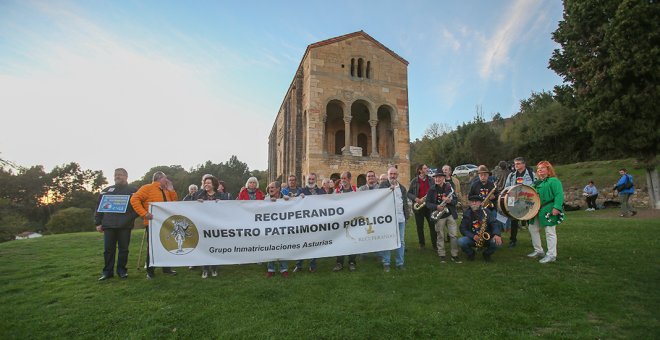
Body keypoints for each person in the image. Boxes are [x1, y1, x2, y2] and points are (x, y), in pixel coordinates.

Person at [130, 171, 178, 279]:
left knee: (167, 245)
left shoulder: (167, 190)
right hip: (153, 223)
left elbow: (175, 203)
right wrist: (144, 213)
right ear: (160, 178)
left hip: (167, 222)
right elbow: (134, 199)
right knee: (152, 247)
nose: (167, 181)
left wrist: (171, 190)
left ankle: (166, 268)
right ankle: (150, 271)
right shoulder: (147, 188)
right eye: (165, 179)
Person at [95, 168, 137, 281]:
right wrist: (98, 222)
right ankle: (107, 272)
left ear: (126, 177)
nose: (117, 177)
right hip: (108, 225)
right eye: (116, 175)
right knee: (108, 250)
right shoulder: (106, 191)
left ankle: (122, 271)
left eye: (120, 175)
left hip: (125, 225)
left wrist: (129, 218)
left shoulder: (133, 191)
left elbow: (138, 208)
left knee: (124, 250)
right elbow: (98, 208)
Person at [528, 161, 564, 264]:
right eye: (538, 168)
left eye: (542, 168)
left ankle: (552, 255)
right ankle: (538, 250)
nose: (539, 170)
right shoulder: (536, 183)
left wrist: (557, 207)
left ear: (548, 170)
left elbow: (559, 194)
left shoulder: (554, 181)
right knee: (533, 228)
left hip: (549, 208)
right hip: (537, 210)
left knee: (550, 231)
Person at [196, 175, 227, 278]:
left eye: (209, 183)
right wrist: (197, 203)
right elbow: (191, 207)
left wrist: (221, 204)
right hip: (203, 226)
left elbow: (228, 208)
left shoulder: (221, 196)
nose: (206, 184)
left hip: (216, 226)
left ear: (213, 185)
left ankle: (214, 268)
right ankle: (205, 269)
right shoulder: (199, 195)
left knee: (215, 247)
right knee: (204, 247)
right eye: (205, 182)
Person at [379, 166, 410, 271]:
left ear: (397, 175)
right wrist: (388, 191)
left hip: (401, 218)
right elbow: (379, 199)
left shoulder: (402, 188)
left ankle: (400, 263)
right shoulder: (383, 185)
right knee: (387, 240)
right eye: (390, 174)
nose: (392, 176)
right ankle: (386, 262)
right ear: (388, 175)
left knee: (401, 241)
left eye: (394, 174)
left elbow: (404, 203)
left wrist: (407, 216)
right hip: (388, 219)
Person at [425, 171, 460, 263]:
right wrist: (436, 207)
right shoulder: (432, 189)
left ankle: (454, 255)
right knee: (440, 235)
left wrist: (449, 201)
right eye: (436, 177)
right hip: (439, 215)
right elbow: (427, 203)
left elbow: (455, 201)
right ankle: (442, 255)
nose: (437, 179)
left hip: (450, 213)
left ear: (443, 178)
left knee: (454, 235)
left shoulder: (449, 188)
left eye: (439, 177)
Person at [293, 173, 324, 273]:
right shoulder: (301, 190)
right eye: (309, 179)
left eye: (312, 179)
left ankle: (312, 265)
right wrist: (299, 197)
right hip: (303, 222)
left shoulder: (320, 191)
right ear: (307, 180)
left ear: (315, 180)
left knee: (314, 244)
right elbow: (295, 202)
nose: (310, 180)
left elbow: (327, 202)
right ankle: (299, 265)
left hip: (316, 222)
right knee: (301, 243)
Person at [458, 195, 503, 262]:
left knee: (497, 243)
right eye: (472, 202)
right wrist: (473, 236)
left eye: (476, 201)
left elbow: (494, 223)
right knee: (461, 241)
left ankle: (487, 254)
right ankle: (471, 253)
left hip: (487, 237)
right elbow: (462, 228)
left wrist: (496, 234)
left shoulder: (486, 212)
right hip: (473, 238)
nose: (474, 203)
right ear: (469, 203)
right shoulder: (467, 214)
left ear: (480, 203)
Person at [503, 157, 536, 248]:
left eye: (518, 164)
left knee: (530, 221)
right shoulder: (512, 175)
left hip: (527, 201)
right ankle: (513, 240)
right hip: (515, 202)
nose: (516, 166)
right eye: (515, 164)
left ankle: (534, 240)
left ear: (523, 164)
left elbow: (536, 187)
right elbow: (506, 188)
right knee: (514, 221)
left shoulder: (531, 174)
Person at [264, 181, 290, 278]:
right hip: (270, 228)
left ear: (278, 189)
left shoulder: (286, 197)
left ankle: (284, 269)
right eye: (269, 187)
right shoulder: (266, 199)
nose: (270, 189)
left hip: (283, 228)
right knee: (271, 247)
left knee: (283, 247)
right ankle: (271, 269)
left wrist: (288, 200)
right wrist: (268, 203)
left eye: (272, 187)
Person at [408, 164, 436, 250]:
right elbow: (408, 193)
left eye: (427, 168)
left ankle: (435, 245)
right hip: (419, 206)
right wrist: (416, 198)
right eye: (425, 168)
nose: (427, 169)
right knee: (419, 226)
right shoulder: (414, 181)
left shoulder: (431, 180)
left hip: (429, 206)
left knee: (432, 225)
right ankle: (422, 244)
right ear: (420, 170)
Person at [334, 171, 358, 271]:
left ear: (349, 179)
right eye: (341, 178)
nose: (342, 180)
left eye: (344, 178)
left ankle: (352, 262)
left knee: (353, 241)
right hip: (341, 221)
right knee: (340, 242)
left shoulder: (356, 190)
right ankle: (339, 263)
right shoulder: (337, 191)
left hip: (353, 221)